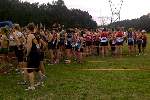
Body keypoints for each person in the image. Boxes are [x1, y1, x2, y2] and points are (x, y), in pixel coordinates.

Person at [25, 23, 43, 90]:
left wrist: (27, 54)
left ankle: (32, 86)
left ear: (29, 29)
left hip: (32, 54)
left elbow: (29, 47)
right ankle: (41, 82)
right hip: (37, 53)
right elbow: (39, 45)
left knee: (30, 70)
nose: (26, 30)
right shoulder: (37, 35)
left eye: (27, 29)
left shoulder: (30, 35)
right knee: (37, 68)